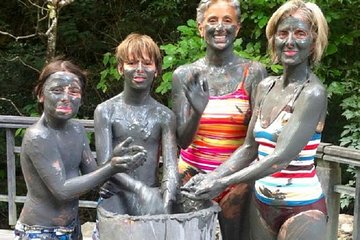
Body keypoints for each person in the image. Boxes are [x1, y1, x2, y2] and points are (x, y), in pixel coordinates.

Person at [182, 0, 329, 239]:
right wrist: (211, 177)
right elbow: (249, 147)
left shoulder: (312, 93)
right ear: (273, 39)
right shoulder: (265, 86)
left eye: (300, 33)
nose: (290, 41)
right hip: (261, 204)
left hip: (301, 208)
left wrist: (222, 182)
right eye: (283, 33)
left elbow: (278, 159)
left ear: (313, 42)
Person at [15, 59, 147, 240]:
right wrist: (111, 167)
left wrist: (115, 161)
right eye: (57, 90)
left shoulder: (77, 129)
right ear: (41, 94)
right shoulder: (38, 136)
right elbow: (62, 190)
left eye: (74, 92)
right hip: (40, 230)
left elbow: (93, 175)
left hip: (71, 226)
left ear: (81, 98)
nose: (65, 97)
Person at [171, 0, 267, 239]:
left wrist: (221, 178)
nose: (220, 27)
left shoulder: (254, 72)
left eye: (227, 20)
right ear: (200, 27)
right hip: (192, 174)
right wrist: (197, 111)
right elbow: (181, 140)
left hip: (237, 178)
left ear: (238, 28)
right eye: (212, 21)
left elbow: (254, 140)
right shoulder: (185, 74)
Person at [94, 33, 178, 217]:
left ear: (156, 70)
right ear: (120, 68)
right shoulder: (105, 111)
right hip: (116, 195)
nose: (140, 69)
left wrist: (168, 197)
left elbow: (171, 166)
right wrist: (139, 189)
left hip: (152, 195)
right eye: (132, 63)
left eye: (147, 63)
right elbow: (104, 164)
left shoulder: (164, 115)